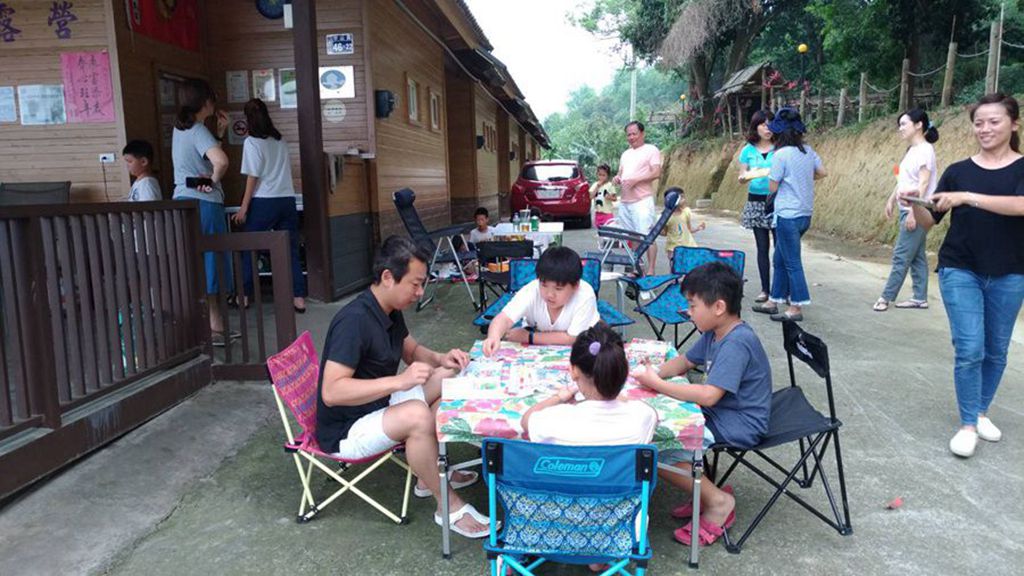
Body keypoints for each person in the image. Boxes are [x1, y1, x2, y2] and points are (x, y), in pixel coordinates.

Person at [316, 236, 493, 537]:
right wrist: (399, 381)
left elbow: (410, 351)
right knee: (417, 415)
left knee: (449, 375)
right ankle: (448, 507)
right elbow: (331, 393)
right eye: (415, 284)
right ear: (388, 277)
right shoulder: (354, 321)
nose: (420, 292)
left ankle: (428, 475)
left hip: (378, 406)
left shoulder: (388, 309)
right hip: (347, 428)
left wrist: (442, 358)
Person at [907, 93, 1024, 458]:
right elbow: (930, 221)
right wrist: (916, 203)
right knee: (970, 347)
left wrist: (966, 197)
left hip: (1011, 271)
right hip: (960, 268)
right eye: (978, 123)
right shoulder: (958, 171)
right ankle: (968, 424)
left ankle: (980, 410)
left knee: (996, 350)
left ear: (1014, 124)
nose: (984, 128)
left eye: (994, 121)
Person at [633, 262, 772, 546]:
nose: (688, 311)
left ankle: (718, 502)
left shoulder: (736, 342)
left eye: (692, 305)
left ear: (718, 307)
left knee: (657, 447)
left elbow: (709, 395)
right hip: (723, 412)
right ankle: (700, 492)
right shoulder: (715, 332)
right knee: (658, 425)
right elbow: (685, 361)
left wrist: (657, 384)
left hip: (741, 423)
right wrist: (650, 373)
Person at [521, 323, 658, 445]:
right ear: (626, 370)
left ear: (573, 371)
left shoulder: (555, 419)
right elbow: (650, 412)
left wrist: (558, 398)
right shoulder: (642, 415)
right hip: (619, 467)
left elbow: (526, 420)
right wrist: (617, 394)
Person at [751, 107, 827, 322]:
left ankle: (796, 307)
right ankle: (773, 300)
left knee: (792, 262)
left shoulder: (780, 155)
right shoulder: (808, 151)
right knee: (779, 258)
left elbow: (773, 186)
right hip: (804, 214)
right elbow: (822, 172)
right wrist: (801, 178)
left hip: (787, 215)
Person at [171, 79, 233, 345]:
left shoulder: (181, 129)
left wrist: (219, 133)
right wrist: (213, 181)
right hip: (205, 204)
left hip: (184, 201)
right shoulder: (198, 130)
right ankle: (215, 326)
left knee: (196, 263)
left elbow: (204, 158)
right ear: (206, 101)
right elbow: (221, 161)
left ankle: (210, 325)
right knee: (212, 262)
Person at [232, 98, 308, 313]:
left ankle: (243, 295)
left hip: (264, 201)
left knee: (250, 246)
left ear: (248, 119)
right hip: (286, 199)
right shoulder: (279, 140)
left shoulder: (252, 142)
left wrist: (244, 207)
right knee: (290, 249)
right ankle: (298, 297)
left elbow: (252, 177)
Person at [873, 108, 939, 312]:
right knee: (916, 255)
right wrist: (891, 200)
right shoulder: (912, 150)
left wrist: (913, 212)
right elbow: (903, 180)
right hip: (906, 208)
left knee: (901, 255)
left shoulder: (925, 150)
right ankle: (919, 297)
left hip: (918, 211)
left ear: (918, 125)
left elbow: (923, 184)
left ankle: (885, 297)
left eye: (904, 124)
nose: (900, 128)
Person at [482, 246, 601, 355]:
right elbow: (504, 318)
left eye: (558, 289)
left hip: (581, 346)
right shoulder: (532, 290)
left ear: (575, 286)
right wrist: (493, 337)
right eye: (544, 285)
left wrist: (529, 337)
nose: (549, 294)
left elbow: (573, 338)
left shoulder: (585, 295)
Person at [613, 121, 662, 275]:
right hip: (625, 201)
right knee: (632, 237)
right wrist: (617, 178)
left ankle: (651, 269)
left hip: (642, 201)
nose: (631, 137)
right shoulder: (625, 154)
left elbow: (656, 172)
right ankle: (637, 267)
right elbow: (621, 173)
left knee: (647, 236)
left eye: (634, 134)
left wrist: (636, 180)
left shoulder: (651, 150)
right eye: (628, 135)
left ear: (642, 133)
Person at [737, 110, 775, 302]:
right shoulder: (748, 150)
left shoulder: (781, 148)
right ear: (756, 127)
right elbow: (741, 176)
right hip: (756, 200)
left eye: (770, 124)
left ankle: (781, 290)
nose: (767, 128)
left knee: (780, 248)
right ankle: (765, 289)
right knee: (762, 247)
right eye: (763, 124)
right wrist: (744, 177)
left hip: (777, 200)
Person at [663, 189, 705, 261]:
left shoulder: (686, 212)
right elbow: (665, 233)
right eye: (681, 197)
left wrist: (698, 228)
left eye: (684, 197)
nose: (684, 200)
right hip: (673, 248)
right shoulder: (666, 217)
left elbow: (689, 229)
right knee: (675, 266)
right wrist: (654, 229)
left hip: (689, 246)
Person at [591, 163, 618, 228]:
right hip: (598, 213)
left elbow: (615, 198)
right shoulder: (595, 185)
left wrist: (609, 197)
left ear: (607, 176)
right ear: (597, 174)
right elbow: (591, 196)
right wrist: (597, 187)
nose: (601, 177)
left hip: (607, 213)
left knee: (608, 230)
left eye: (604, 175)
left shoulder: (610, 185)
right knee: (600, 231)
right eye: (599, 175)